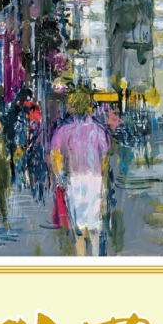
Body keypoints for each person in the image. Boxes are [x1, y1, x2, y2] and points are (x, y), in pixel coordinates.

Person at [49, 87, 111, 257]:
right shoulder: (98, 129)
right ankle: (96, 258)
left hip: (75, 180)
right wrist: (103, 179)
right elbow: (105, 156)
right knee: (94, 227)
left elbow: (55, 154)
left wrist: (59, 175)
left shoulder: (65, 130)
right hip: (95, 180)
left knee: (79, 229)